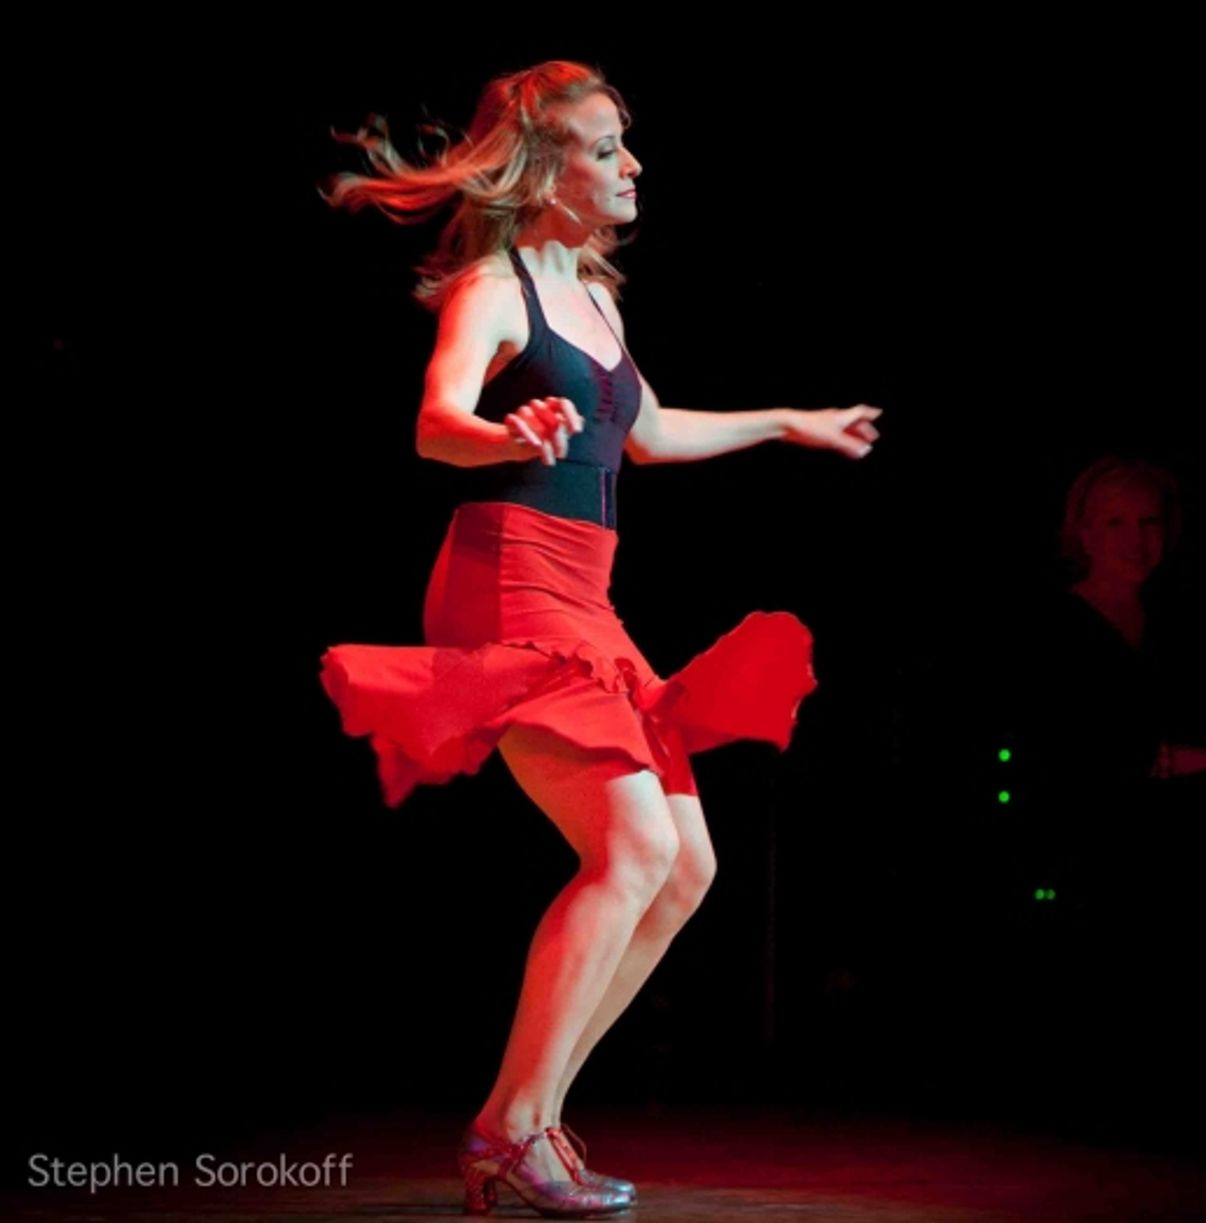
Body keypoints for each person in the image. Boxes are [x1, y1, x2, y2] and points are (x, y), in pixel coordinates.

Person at [315, 61, 882, 1218]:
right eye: (605, 146)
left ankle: (524, 1117)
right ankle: (509, 1126)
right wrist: (502, 432)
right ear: (542, 169)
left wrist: (788, 421)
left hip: (584, 593)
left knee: (685, 865)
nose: (632, 164)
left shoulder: (592, 297)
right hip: (507, 580)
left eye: (625, 142)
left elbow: (650, 434)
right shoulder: (495, 287)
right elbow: (436, 424)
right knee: (628, 849)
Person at [1017, 455, 1206, 931]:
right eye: (1116, 523)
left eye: (1149, 522)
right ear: (1085, 534)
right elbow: (1076, 760)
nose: (1136, 541)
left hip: (1194, 870)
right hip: (1100, 879)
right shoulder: (1053, 631)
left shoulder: (1176, 618)